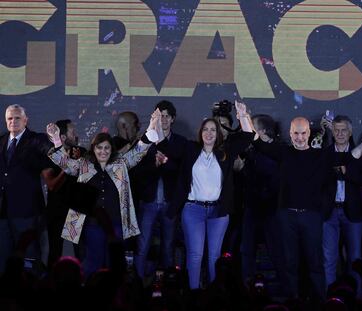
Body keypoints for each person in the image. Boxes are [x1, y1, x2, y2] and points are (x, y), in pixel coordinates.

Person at [253, 116, 362, 304]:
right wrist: (242, 117)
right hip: (286, 215)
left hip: (312, 217)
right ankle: (292, 300)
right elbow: (257, 143)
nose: (299, 137)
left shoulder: (321, 155)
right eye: (295, 133)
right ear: (290, 133)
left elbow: (352, 155)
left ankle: (320, 301)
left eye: (303, 133)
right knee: (289, 262)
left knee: (315, 263)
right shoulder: (284, 152)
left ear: (309, 133)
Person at [46, 109, 164, 276]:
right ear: (94, 149)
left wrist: (152, 126)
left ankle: (114, 298)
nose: (103, 151)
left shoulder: (121, 165)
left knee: (114, 265)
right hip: (92, 225)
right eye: (99, 148)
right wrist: (57, 139)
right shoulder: (84, 165)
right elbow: (66, 164)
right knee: (92, 264)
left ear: (111, 150)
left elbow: (139, 151)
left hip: (116, 224)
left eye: (107, 148)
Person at [168, 101, 254, 289]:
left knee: (215, 255)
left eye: (213, 130)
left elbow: (249, 136)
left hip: (218, 211)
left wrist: (243, 116)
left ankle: (215, 296)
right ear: (200, 132)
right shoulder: (190, 149)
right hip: (193, 210)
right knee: (195, 254)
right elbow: (165, 143)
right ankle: (193, 294)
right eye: (205, 129)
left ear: (218, 134)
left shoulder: (226, 151)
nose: (209, 133)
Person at [133, 100, 187, 278]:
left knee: (168, 247)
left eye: (166, 116)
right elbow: (136, 170)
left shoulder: (180, 142)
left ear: (172, 119)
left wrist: (165, 162)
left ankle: (168, 288)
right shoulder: (147, 140)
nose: (162, 119)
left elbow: (181, 171)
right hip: (148, 202)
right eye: (159, 116)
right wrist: (153, 164)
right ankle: (138, 287)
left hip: (170, 203)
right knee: (142, 246)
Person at [0, 104, 54, 273]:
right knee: (3, 257)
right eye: (9, 118)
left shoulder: (37, 139)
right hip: (3, 211)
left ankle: (28, 294)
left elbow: (50, 160)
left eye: (17, 118)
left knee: (28, 258)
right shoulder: (1, 140)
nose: (13, 121)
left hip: (27, 211)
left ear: (25, 120)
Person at [322, 115, 362, 287]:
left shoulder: (358, 153)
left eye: (344, 130)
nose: (340, 133)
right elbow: (319, 181)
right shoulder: (325, 154)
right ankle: (330, 299)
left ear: (350, 132)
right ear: (332, 132)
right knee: (329, 258)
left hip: (353, 212)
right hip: (329, 213)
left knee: (355, 258)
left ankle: (356, 298)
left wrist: (345, 172)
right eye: (336, 130)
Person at [240, 114, 281, 284]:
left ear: (262, 131)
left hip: (272, 209)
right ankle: (247, 284)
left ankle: (282, 288)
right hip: (252, 207)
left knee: (276, 250)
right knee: (246, 250)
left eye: (252, 127)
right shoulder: (250, 151)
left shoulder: (278, 151)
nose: (249, 131)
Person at [43, 119, 86, 268]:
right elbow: (52, 185)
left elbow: (83, 175)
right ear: (62, 138)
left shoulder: (82, 152)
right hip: (57, 211)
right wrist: (66, 168)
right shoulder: (49, 156)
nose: (76, 135)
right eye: (72, 132)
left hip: (76, 211)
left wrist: (77, 162)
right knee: (55, 253)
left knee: (80, 253)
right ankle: (52, 286)